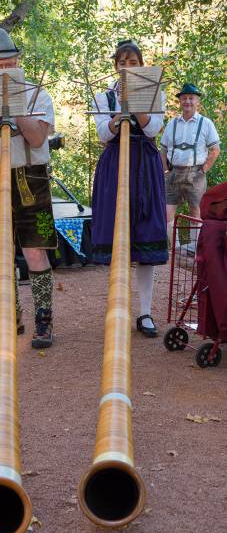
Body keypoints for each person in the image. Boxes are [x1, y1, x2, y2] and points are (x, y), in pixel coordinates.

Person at [0, 28, 57, 348]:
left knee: (34, 250)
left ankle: (43, 321)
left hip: (30, 177)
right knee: (1, 252)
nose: (3, 70)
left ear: (18, 63)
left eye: (9, 64)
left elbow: (37, 138)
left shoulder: (37, 95)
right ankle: (10, 317)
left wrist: (14, 106)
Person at [91, 39, 168, 337]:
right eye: (122, 62)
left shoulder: (153, 92)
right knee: (116, 237)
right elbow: (102, 134)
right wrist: (118, 112)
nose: (127, 67)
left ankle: (145, 312)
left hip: (144, 166)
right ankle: (118, 309)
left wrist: (135, 103)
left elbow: (152, 129)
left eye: (133, 62)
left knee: (146, 236)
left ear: (141, 65)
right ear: (116, 66)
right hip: (114, 165)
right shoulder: (103, 96)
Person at [160, 83, 221, 249]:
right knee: (167, 213)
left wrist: (203, 170)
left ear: (197, 101)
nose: (187, 101)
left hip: (196, 174)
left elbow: (215, 149)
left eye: (191, 98)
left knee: (196, 212)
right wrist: (165, 169)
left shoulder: (206, 123)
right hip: (173, 173)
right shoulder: (172, 123)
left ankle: (194, 249)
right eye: (184, 98)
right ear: (180, 101)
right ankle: (176, 248)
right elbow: (163, 149)